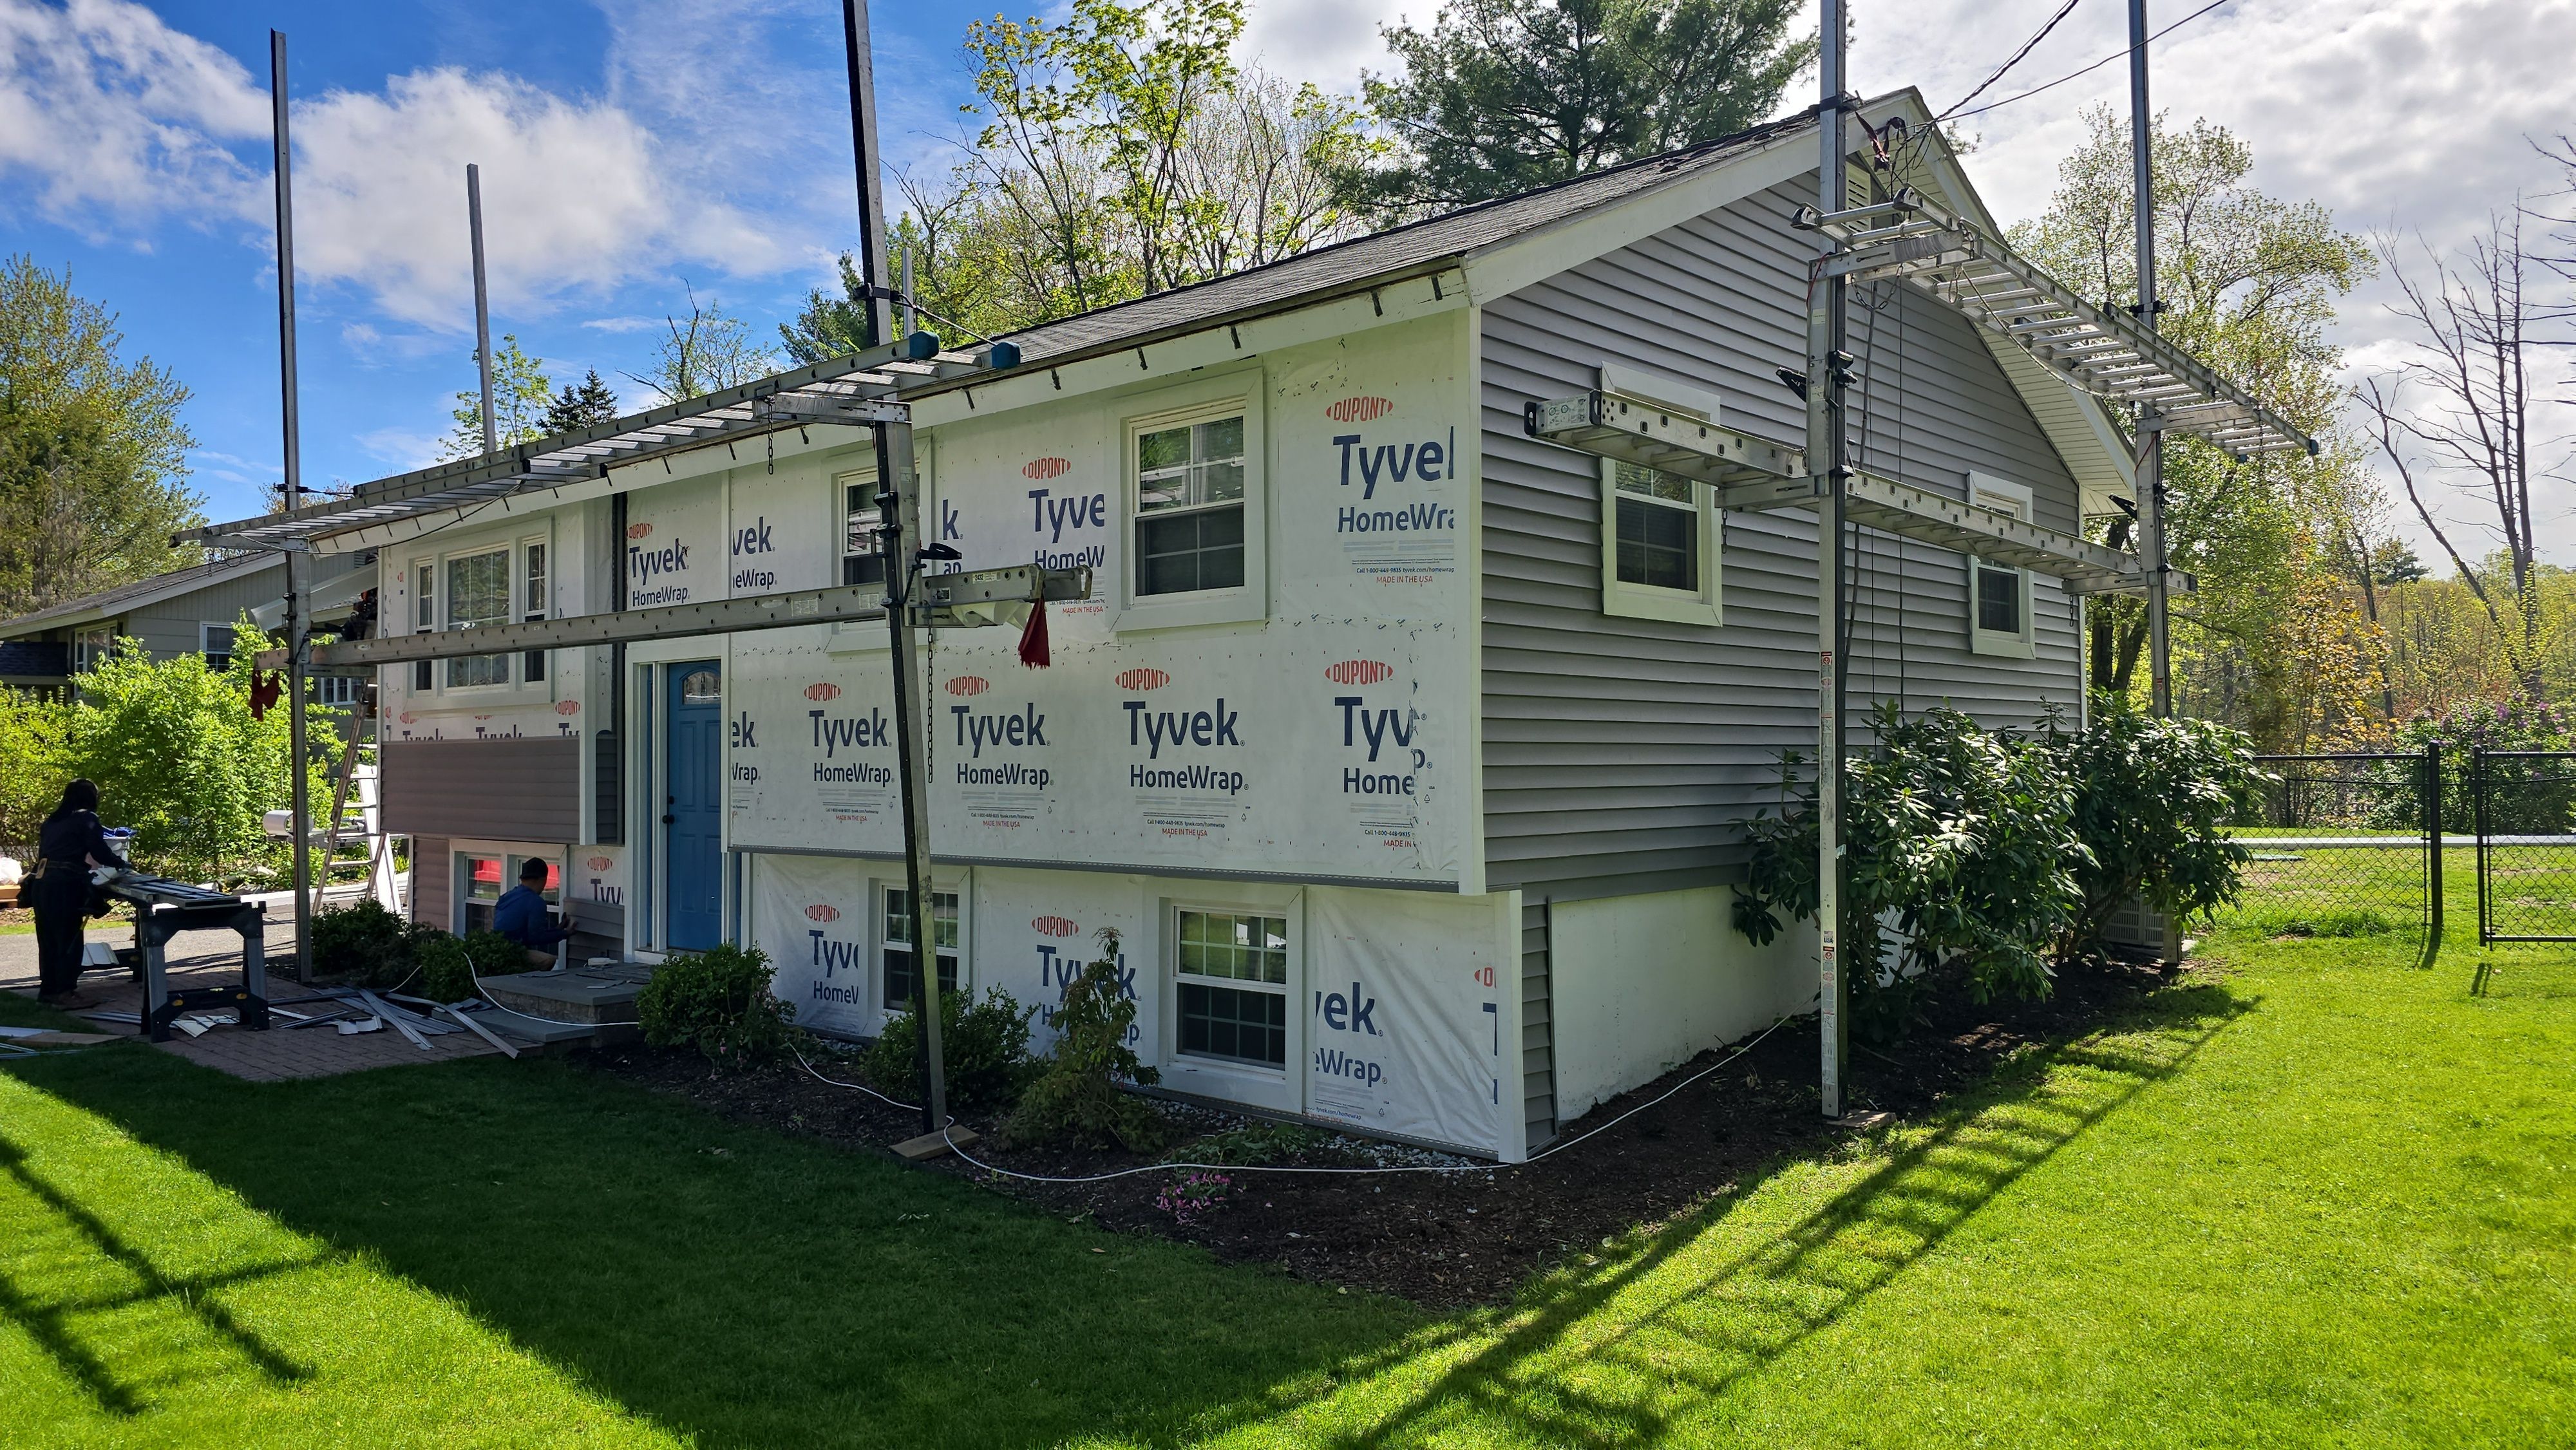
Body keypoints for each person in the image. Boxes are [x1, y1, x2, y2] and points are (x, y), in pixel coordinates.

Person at [30, 779, 129, 1010]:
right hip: (65, 883)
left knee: (48, 940)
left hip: (43, 882)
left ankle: (48, 991)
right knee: (69, 939)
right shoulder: (86, 818)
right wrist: (122, 864)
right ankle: (66, 993)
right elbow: (99, 851)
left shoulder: (52, 821)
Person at [492, 859, 568, 968]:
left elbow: (527, 933)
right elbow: (536, 937)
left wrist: (558, 929)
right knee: (548, 960)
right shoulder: (535, 901)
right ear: (543, 879)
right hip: (512, 952)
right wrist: (565, 933)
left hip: (496, 949)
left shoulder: (508, 896)